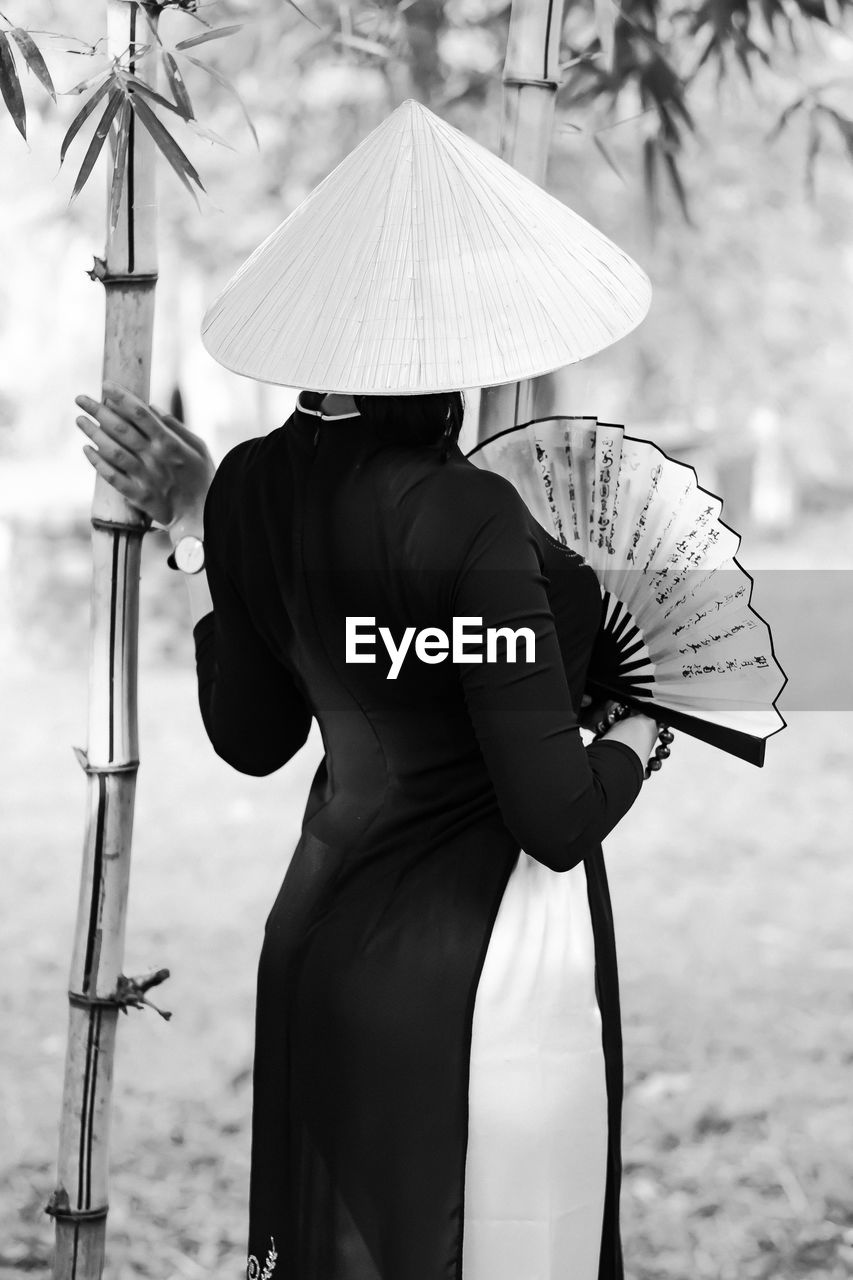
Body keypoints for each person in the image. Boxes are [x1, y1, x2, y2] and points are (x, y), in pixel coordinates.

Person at [74, 378, 659, 1280]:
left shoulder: (250, 483)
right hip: (481, 965)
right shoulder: (469, 510)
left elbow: (252, 738)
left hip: (322, 944)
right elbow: (556, 815)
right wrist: (644, 725)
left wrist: (200, 527)